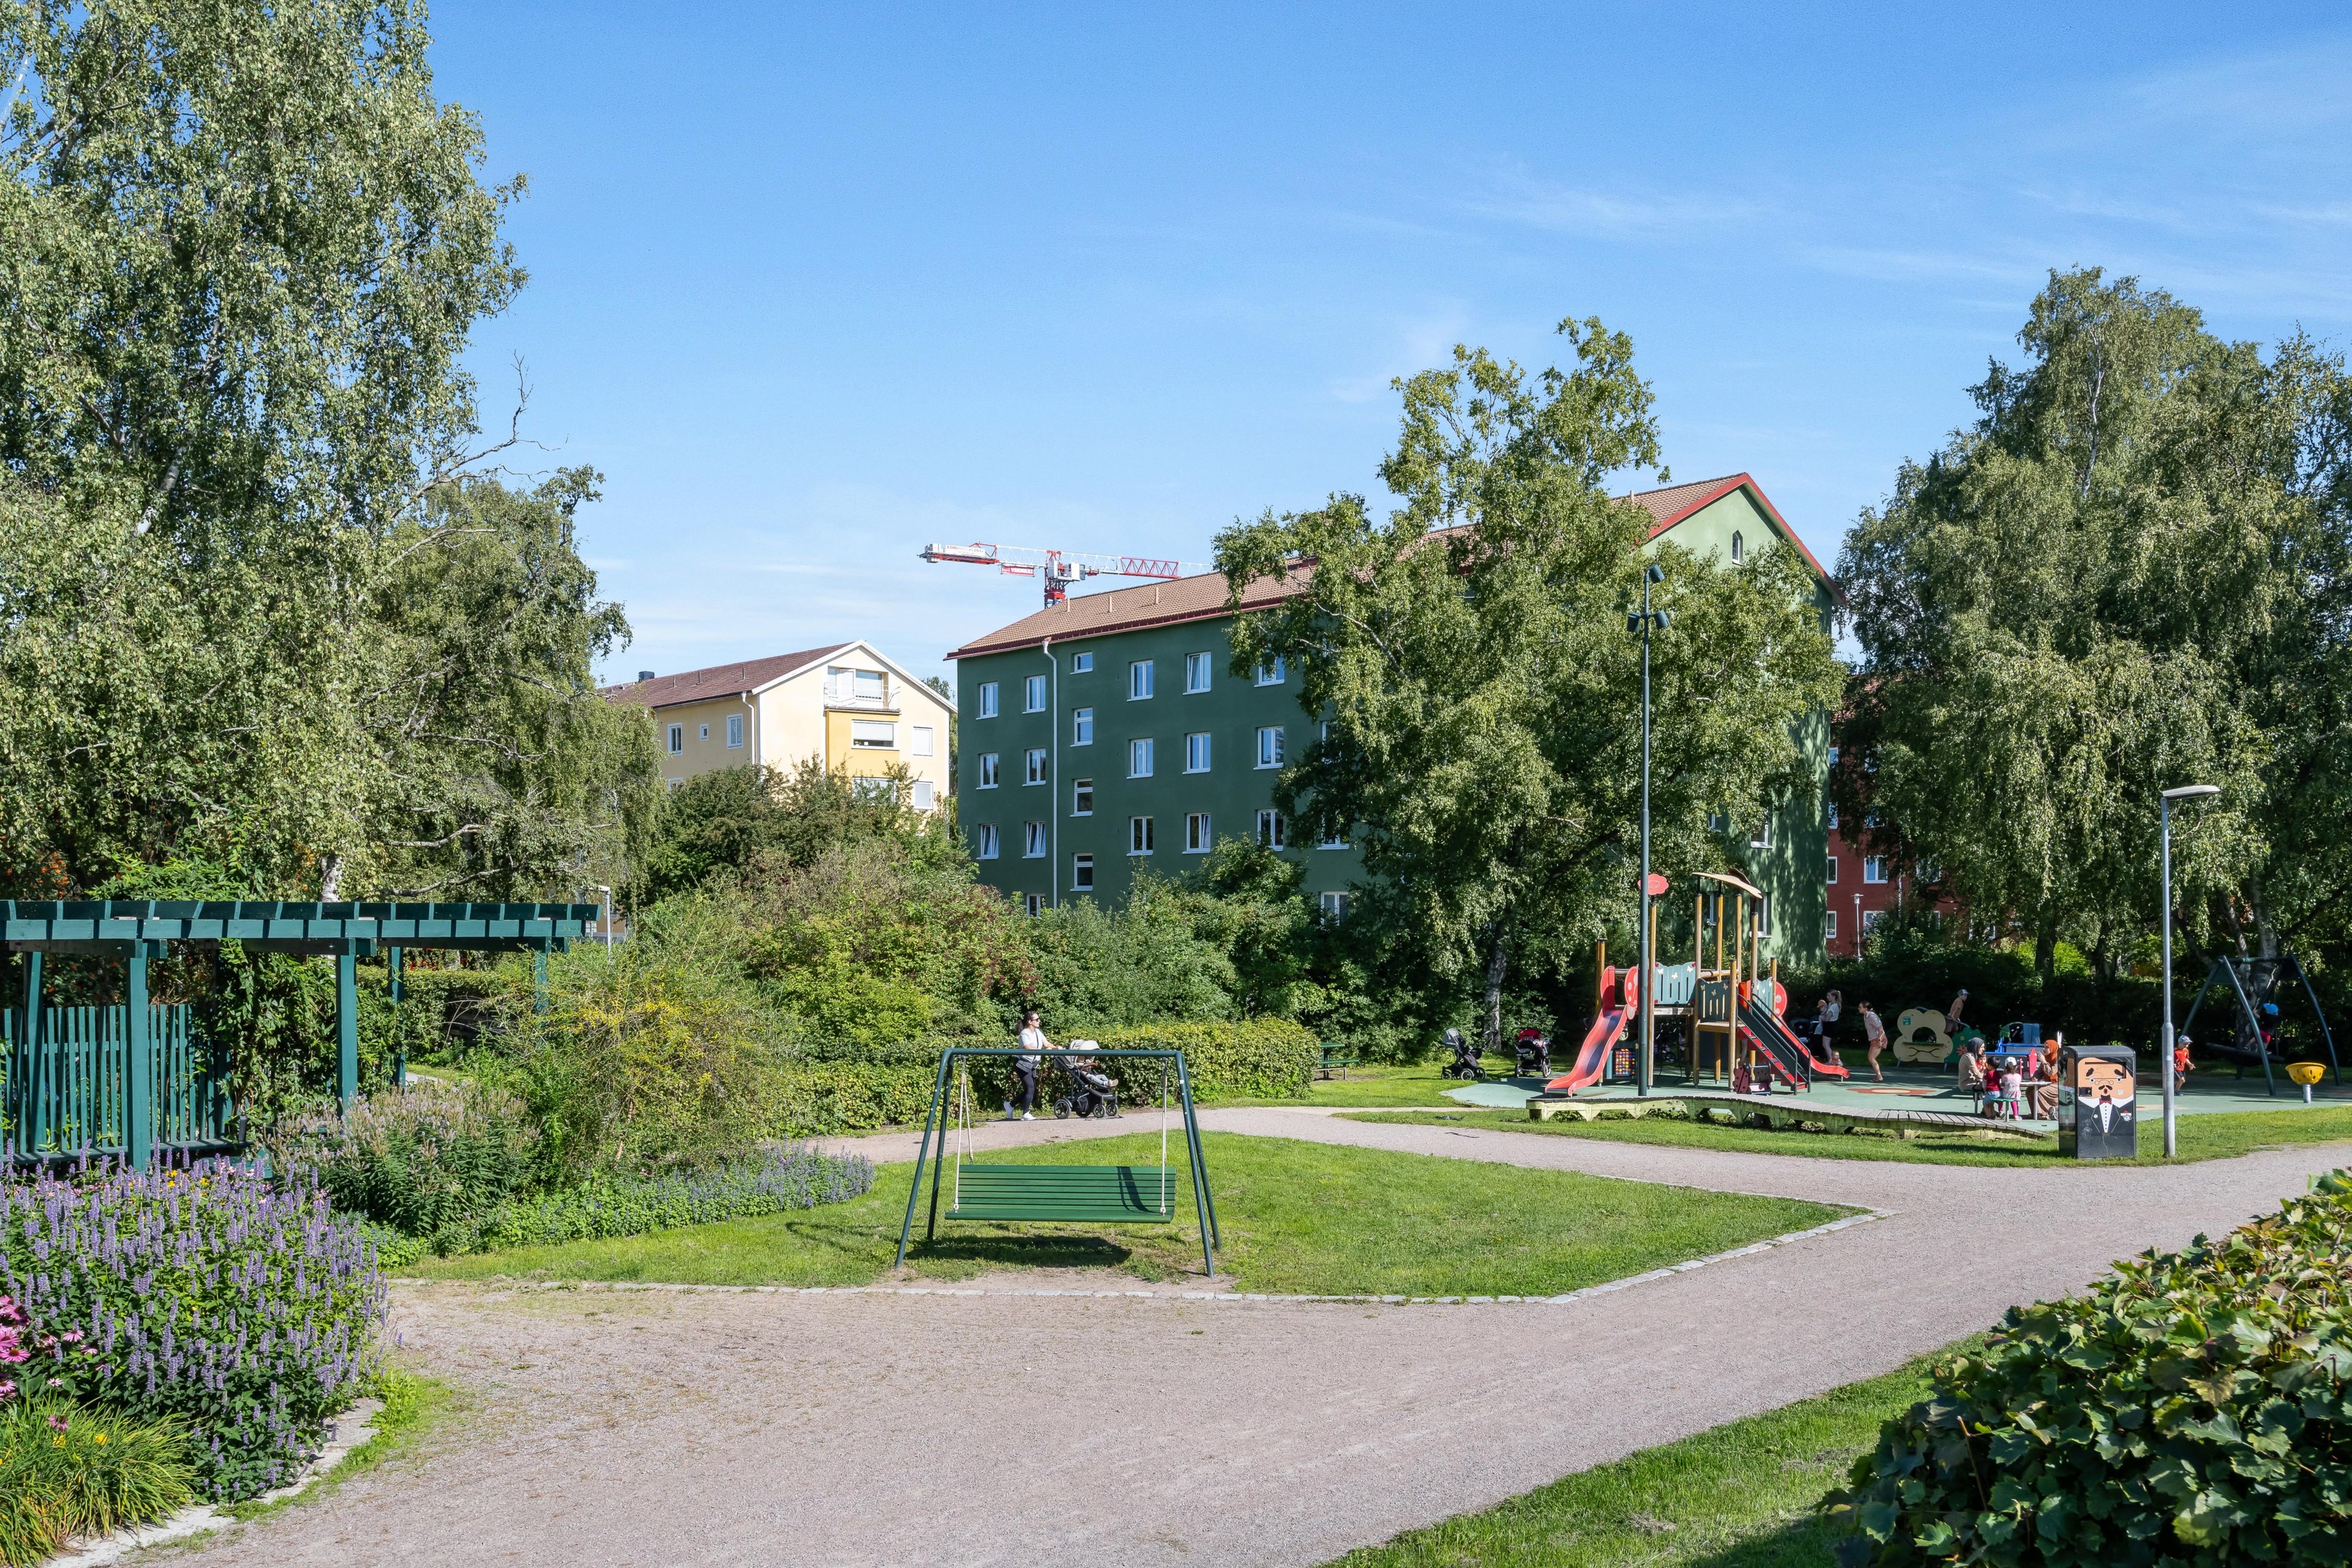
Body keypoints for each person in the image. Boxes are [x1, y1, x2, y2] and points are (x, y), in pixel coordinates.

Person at [1007, 1010, 1050, 1121]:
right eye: (1037, 1019)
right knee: (1030, 1088)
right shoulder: (1024, 1033)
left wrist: (1057, 1048)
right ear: (1030, 1022)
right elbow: (1027, 1047)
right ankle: (1025, 1114)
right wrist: (1042, 1051)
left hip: (1033, 1064)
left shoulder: (1038, 1032)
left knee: (1029, 1089)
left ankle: (1010, 1105)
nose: (1039, 1021)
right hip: (1023, 1064)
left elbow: (1046, 1044)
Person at [1858, 1001, 1887, 1082]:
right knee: (1870, 1057)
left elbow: (1880, 1028)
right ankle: (1879, 1076)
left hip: (1878, 1039)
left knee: (1871, 1058)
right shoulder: (1866, 1016)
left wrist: (1880, 1040)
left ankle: (1879, 1077)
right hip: (1874, 1039)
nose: (1859, 1008)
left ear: (1865, 1008)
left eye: (1860, 1007)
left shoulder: (1871, 1016)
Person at [1813, 991, 1842, 1064]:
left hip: (1830, 1026)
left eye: (1829, 996)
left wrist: (1821, 1018)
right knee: (1825, 1044)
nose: (1827, 997)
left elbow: (1827, 1019)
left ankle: (1834, 1061)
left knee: (1826, 1044)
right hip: (1829, 1026)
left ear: (1834, 997)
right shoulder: (1830, 1004)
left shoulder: (1833, 1006)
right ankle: (1831, 1060)